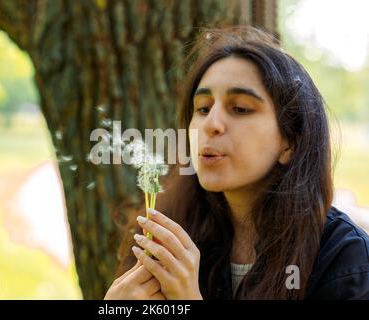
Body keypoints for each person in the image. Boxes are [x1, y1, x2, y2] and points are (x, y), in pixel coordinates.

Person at [104, 26, 369, 300]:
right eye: (203, 108)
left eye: (240, 108)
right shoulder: (172, 235)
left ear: (290, 142)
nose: (212, 124)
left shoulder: (343, 260)